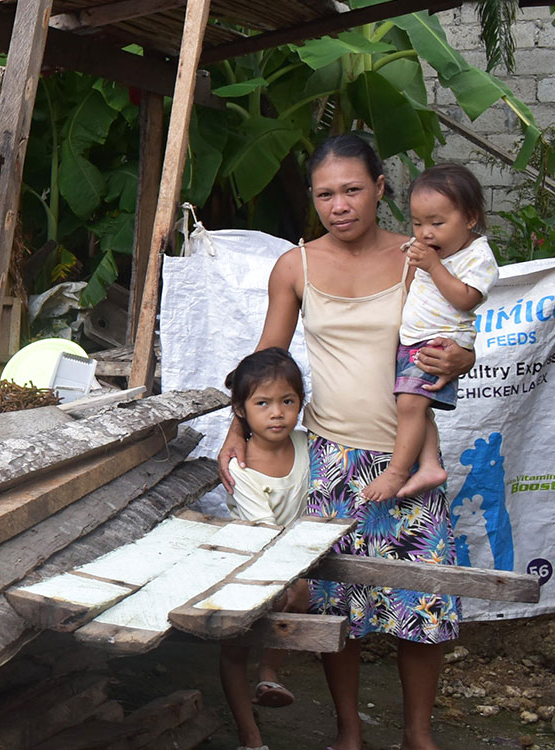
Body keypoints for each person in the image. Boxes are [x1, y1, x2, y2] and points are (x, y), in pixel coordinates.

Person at [216, 134, 477, 750]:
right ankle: (349, 734)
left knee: (423, 608)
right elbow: (267, 360)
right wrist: (235, 426)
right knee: (339, 608)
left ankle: (418, 737)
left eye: (353, 189)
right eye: (326, 193)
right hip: (331, 458)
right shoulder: (296, 266)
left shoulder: (419, 257)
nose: (340, 205)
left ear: (381, 188)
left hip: (406, 459)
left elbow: (451, 337)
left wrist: (463, 359)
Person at [360, 163, 500, 503]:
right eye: (418, 223)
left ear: (469, 219)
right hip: (414, 340)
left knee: (410, 405)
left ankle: (396, 471)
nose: (426, 233)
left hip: (438, 344)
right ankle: (428, 465)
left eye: (437, 223)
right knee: (416, 408)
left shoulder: (477, 257)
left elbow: (466, 299)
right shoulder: (424, 252)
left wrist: (434, 267)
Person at [213, 348, 313, 750]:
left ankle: (270, 671)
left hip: (290, 560)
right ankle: (249, 735)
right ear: (240, 410)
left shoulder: (307, 446)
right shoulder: (241, 466)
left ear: (301, 404)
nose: (277, 413)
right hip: (246, 560)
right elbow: (266, 532)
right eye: (263, 403)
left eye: (287, 402)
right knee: (236, 643)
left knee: (298, 596)